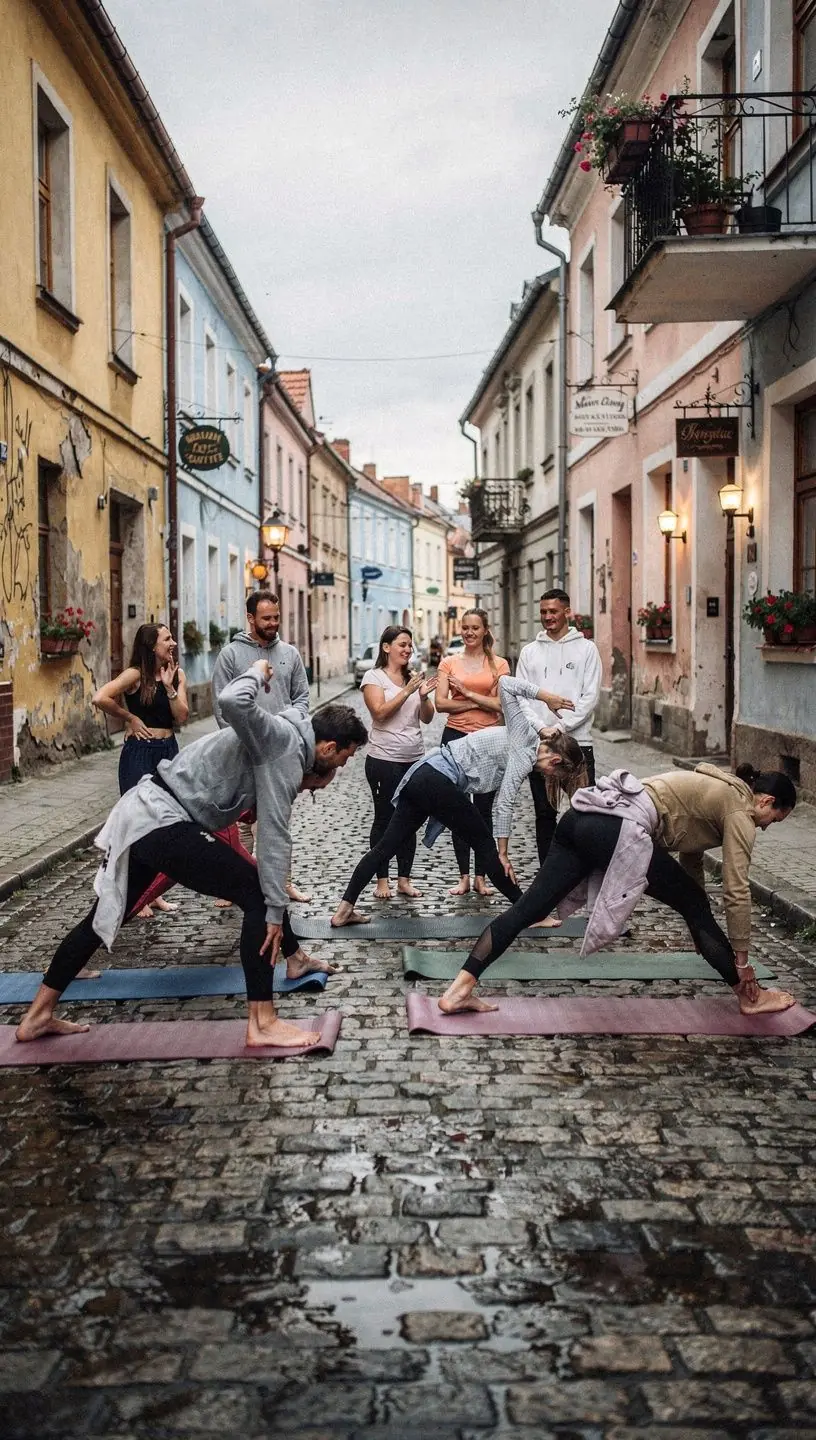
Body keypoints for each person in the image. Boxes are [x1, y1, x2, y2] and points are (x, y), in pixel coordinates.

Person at [16, 662, 368, 1050]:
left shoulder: (287, 743)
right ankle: (263, 1023)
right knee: (259, 894)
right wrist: (255, 672)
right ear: (328, 747)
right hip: (163, 818)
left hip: (147, 815)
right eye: (346, 758)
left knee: (103, 917)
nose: (342, 767)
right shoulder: (283, 741)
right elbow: (274, 832)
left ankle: (37, 1016)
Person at [439, 762, 798, 1018]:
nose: (766, 827)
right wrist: (741, 958)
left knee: (527, 910)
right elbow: (736, 889)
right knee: (695, 905)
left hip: (582, 816)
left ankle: (458, 990)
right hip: (616, 827)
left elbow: (691, 862)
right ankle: (750, 997)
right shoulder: (740, 812)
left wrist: (697, 918)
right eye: (774, 819)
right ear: (765, 801)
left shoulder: (717, 788)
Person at [331, 675, 585, 927]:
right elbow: (504, 804)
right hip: (439, 779)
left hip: (423, 774)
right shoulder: (525, 753)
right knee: (485, 846)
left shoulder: (524, 733)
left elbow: (506, 686)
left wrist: (503, 852)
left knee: (385, 847)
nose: (550, 778)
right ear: (555, 760)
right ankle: (531, 916)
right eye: (556, 774)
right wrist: (547, 697)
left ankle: (344, 910)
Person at [212, 589, 311, 904]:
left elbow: (302, 698)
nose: (273, 623)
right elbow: (221, 705)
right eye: (266, 618)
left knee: (278, 822)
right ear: (250, 618)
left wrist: (290, 731)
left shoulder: (290, 654)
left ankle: (284, 883)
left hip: (280, 753)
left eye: (276, 617)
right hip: (243, 752)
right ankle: (235, 886)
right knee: (242, 822)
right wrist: (238, 740)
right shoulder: (231, 655)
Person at [92, 623, 189, 919]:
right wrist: (129, 718)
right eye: (167, 639)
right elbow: (100, 697)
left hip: (168, 754)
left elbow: (182, 716)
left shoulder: (177, 674)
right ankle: (137, 897)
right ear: (151, 646)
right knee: (138, 825)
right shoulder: (135, 675)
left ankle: (153, 894)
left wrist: (170, 688)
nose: (173, 643)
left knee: (163, 825)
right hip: (139, 755)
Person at [516, 589, 601, 865]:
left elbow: (590, 697)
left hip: (578, 744)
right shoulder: (529, 652)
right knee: (544, 813)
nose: (548, 617)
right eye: (543, 612)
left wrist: (562, 727)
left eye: (553, 611)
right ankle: (547, 871)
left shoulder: (587, 649)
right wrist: (541, 727)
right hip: (540, 745)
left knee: (586, 811)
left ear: (567, 612)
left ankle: (585, 870)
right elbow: (521, 697)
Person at [435, 609, 510, 897]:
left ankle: (481, 877)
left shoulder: (499, 664)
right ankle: (463, 877)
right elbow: (441, 704)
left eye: (475, 628)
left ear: (485, 630)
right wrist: (478, 703)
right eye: (465, 627)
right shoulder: (448, 662)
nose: (469, 632)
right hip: (455, 738)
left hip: (489, 741)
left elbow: (502, 705)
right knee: (458, 809)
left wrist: (465, 693)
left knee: (483, 810)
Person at [361, 626, 437, 901]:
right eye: (402, 644)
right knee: (384, 819)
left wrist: (424, 697)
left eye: (409, 645)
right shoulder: (374, 677)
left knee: (410, 820)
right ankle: (382, 880)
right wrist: (407, 691)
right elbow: (379, 713)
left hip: (413, 759)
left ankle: (404, 879)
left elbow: (427, 718)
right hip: (384, 759)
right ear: (386, 647)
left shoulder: (412, 678)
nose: (407, 649)